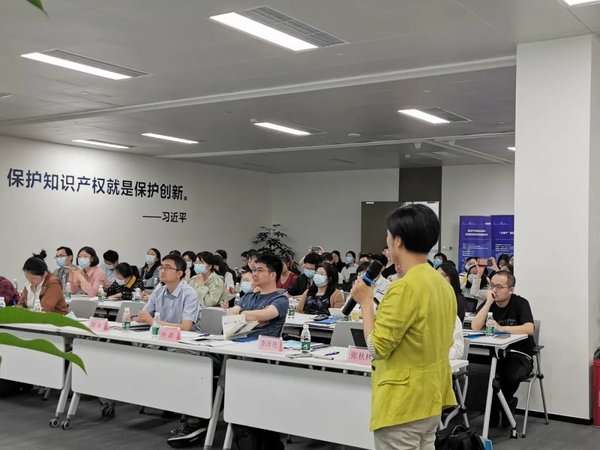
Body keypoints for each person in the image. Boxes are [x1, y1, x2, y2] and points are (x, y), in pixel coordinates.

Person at [350, 204, 456, 450]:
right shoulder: (442, 285)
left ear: (397, 240)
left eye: (388, 236)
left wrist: (366, 302)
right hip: (431, 397)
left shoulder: (404, 287)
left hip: (402, 403)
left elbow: (376, 348)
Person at [227, 254, 289, 450]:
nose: (254, 274)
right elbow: (231, 312)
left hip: (261, 357)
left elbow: (266, 314)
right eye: (253, 270)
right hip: (239, 351)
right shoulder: (249, 296)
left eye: (259, 270)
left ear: (273, 274)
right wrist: (251, 317)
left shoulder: (280, 299)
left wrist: (246, 316)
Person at [471, 270, 535, 428]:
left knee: (509, 376)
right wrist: (488, 302)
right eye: (492, 286)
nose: (494, 290)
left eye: (499, 287)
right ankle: (502, 408)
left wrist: (501, 328)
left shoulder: (520, 303)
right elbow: (475, 326)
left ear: (511, 289)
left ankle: (500, 406)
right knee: (478, 371)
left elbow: (529, 329)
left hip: (518, 355)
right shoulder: (489, 302)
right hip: (495, 354)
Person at [137, 254, 199, 331]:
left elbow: (186, 327)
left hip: (185, 336)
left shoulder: (189, 294)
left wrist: (153, 322)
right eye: (161, 267)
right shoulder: (158, 292)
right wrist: (135, 318)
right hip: (161, 334)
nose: (162, 271)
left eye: (167, 268)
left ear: (179, 274)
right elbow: (143, 316)